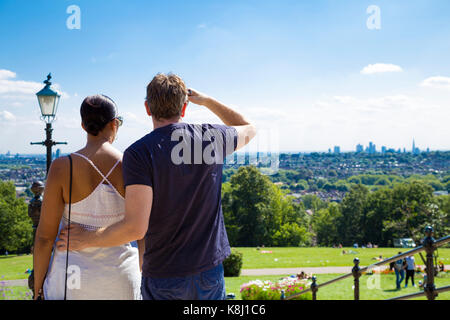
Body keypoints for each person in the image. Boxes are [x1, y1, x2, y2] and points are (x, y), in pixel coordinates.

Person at [56, 73, 256, 300]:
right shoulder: (211, 138)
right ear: (184, 108)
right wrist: (207, 100)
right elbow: (248, 127)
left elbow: (135, 228)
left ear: (147, 108)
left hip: (164, 274)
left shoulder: (139, 153)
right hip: (208, 271)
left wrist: (87, 238)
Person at [33, 95, 142, 300]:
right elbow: (143, 231)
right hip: (121, 278)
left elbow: (44, 238)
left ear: (83, 125)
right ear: (114, 124)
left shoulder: (62, 167)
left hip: (71, 279)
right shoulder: (131, 165)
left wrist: (38, 288)